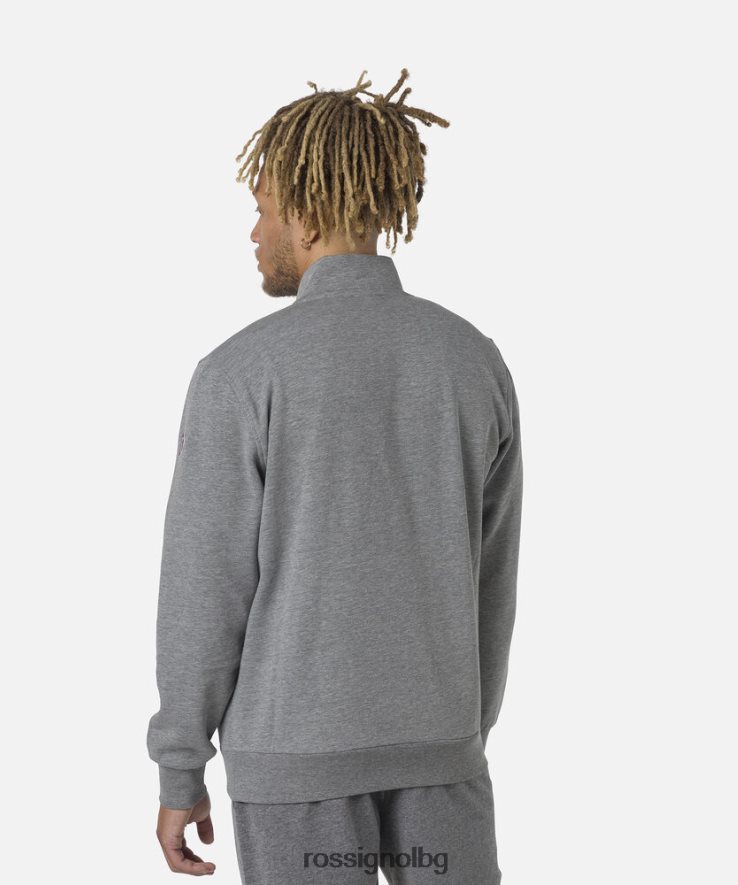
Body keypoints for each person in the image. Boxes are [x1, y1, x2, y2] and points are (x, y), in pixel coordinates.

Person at [146, 68, 523, 883]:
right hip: (442, 756)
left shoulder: (242, 372)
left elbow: (204, 586)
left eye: (263, 210)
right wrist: (459, 731)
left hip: (295, 768)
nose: (254, 233)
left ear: (307, 217)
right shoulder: (472, 361)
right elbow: (490, 577)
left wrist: (180, 767)